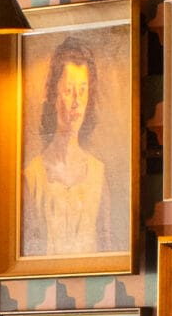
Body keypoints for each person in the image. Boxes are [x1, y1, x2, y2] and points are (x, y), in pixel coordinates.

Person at [21, 36, 111, 259]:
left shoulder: (98, 173)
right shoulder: (32, 176)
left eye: (82, 91)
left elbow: (109, 249)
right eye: (69, 91)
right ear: (53, 95)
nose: (76, 103)